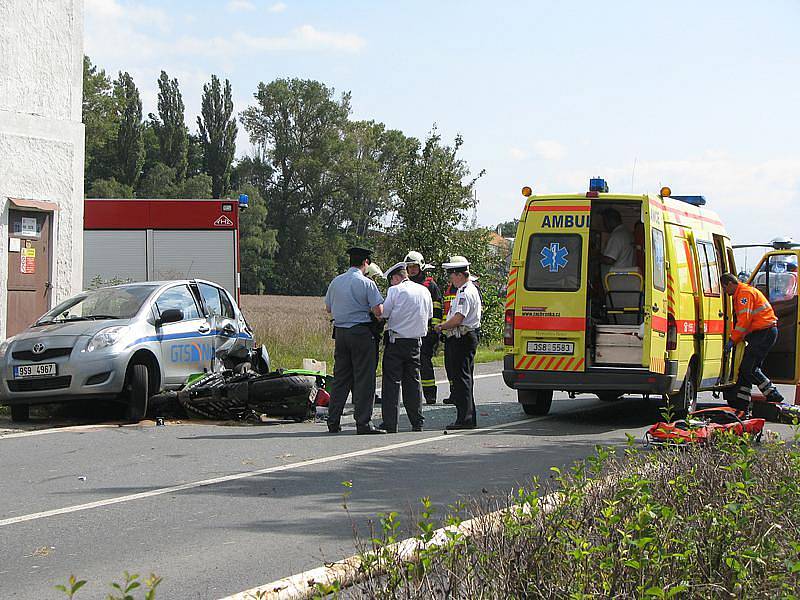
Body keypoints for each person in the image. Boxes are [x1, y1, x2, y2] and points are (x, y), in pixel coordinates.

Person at [324, 247, 386, 434]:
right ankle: (363, 423)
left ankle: (333, 420)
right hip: (361, 333)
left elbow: (328, 308)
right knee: (364, 379)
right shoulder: (366, 283)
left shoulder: (336, 282)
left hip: (341, 334)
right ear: (365, 263)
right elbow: (379, 312)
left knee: (341, 379)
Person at [379, 262, 432, 433]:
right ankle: (417, 421)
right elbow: (429, 315)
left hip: (397, 342)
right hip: (416, 343)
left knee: (392, 384)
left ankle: (390, 423)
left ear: (396, 278)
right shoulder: (424, 290)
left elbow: (384, 314)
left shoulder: (395, 290)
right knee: (413, 383)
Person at [720, 272, 784, 411]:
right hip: (763, 333)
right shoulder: (743, 292)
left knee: (749, 368)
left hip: (764, 333)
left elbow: (744, 320)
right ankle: (741, 404)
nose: (725, 292)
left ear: (730, 284)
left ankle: (773, 394)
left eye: (725, 288)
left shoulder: (744, 294)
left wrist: (732, 340)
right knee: (746, 370)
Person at [434, 256, 482, 430]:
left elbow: (458, 318)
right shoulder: (467, 289)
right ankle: (467, 416)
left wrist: (441, 326)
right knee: (464, 378)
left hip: (462, 337)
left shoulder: (464, 292)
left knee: (461, 379)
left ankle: (465, 418)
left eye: (452, 275)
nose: (450, 279)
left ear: (460, 275)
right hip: (464, 336)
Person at [404, 251, 444, 404]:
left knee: (425, 362)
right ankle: (413, 396)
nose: (412, 270)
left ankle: (430, 395)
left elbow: (437, 307)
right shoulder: (405, 284)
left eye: (414, 266)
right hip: (409, 331)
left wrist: (434, 328)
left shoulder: (430, 285)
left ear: (420, 266)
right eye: (409, 267)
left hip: (426, 331)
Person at [365, 262, 385, 405]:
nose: (375, 281)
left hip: (352, 333)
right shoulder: (369, 288)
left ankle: (362, 394)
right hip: (370, 333)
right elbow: (378, 313)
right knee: (369, 367)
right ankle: (368, 395)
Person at [600, 208, 636, 277]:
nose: (604, 225)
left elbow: (609, 260)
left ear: (610, 221)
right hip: (628, 277)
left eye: (605, 222)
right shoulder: (627, 232)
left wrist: (595, 256)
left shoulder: (617, 235)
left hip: (617, 278)